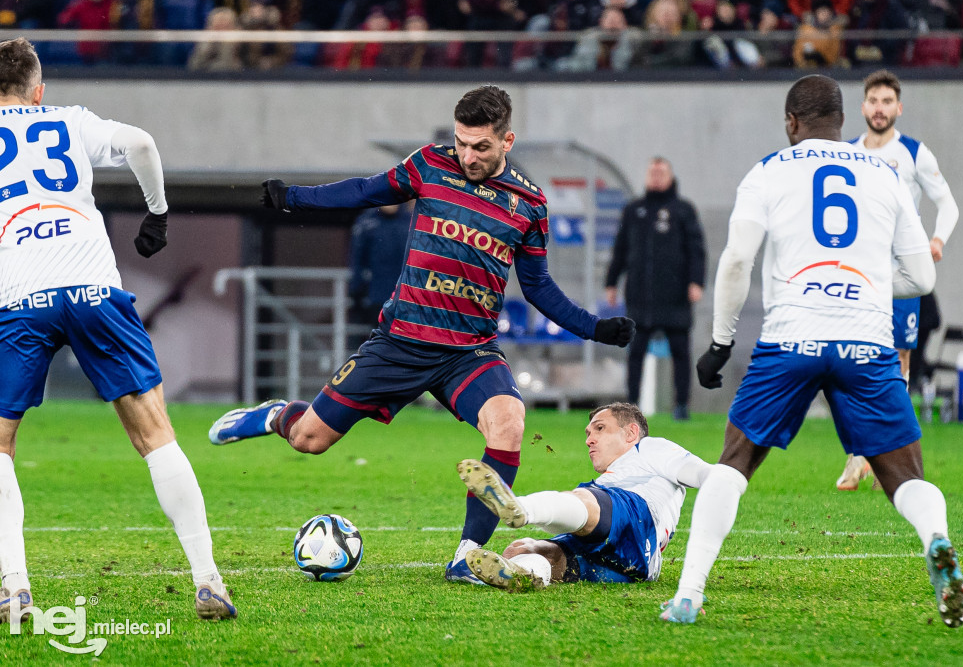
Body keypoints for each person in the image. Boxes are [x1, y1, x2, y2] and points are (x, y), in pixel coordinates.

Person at [208, 85, 636, 584]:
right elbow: (368, 191)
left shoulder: (529, 204)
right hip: (399, 342)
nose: (468, 156)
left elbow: (539, 287)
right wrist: (294, 199)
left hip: (469, 352)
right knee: (309, 440)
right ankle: (276, 415)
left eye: (480, 147)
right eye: (462, 143)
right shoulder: (431, 164)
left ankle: (467, 555)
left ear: (507, 141)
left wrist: (595, 327)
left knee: (509, 423)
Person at [659, 75, 963, 629]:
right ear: (844, 122)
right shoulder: (888, 173)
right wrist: (868, 283)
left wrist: (720, 342)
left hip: (791, 339)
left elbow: (736, 261)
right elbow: (921, 276)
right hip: (867, 340)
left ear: (790, 123)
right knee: (905, 474)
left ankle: (687, 594)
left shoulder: (768, 171)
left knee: (734, 464)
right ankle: (938, 542)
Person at [0, 37, 235, 623]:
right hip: (93, 284)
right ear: (39, 90)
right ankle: (208, 580)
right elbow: (141, 142)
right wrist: (156, 211)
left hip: (20, 292)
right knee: (155, 435)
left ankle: (15, 589)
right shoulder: (68, 120)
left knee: (0, 445)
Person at [836, 69, 960, 491]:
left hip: (901, 273)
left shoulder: (913, 153)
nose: (880, 108)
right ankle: (858, 453)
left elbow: (947, 204)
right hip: (858, 271)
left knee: (898, 362)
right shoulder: (846, 152)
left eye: (888, 101)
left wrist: (938, 239)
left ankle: (887, 455)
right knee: (853, 357)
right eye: (873, 101)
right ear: (863, 106)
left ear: (898, 108)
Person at [456, 403, 710, 590]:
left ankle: (520, 508)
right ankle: (527, 573)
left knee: (585, 500)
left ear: (631, 433)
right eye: (588, 434)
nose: (589, 440)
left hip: (639, 519)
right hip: (628, 566)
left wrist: (725, 481)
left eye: (599, 429)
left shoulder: (652, 448)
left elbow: (705, 475)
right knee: (522, 548)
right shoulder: (604, 482)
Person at [605, 157, 706, 421]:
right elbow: (621, 249)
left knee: (681, 353)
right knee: (635, 353)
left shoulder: (684, 210)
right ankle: (631, 406)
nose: (657, 177)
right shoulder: (634, 210)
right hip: (640, 296)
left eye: (662, 173)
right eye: (653, 172)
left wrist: (697, 282)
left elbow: (697, 251)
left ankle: (681, 405)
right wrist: (611, 282)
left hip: (675, 297)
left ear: (671, 176)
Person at [347, 203, 413, 329]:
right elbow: (357, 260)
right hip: (376, 297)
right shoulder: (367, 223)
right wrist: (356, 292)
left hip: (406, 299)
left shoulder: (411, 221)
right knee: (378, 340)